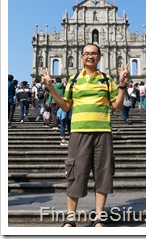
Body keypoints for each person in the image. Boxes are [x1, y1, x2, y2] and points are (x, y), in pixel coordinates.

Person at [41, 43, 129, 227]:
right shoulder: (73, 80)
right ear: (81, 57)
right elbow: (65, 106)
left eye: (94, 54)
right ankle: (70, 218)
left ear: (99, 57)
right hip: (79, 132)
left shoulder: (106, 80)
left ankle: (99, 218)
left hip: (102, 132)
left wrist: (122, 85)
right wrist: (50, 87)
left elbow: (117, 107)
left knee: (103, 173)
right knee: (75, 173)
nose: (90, 56)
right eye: (87, 54)